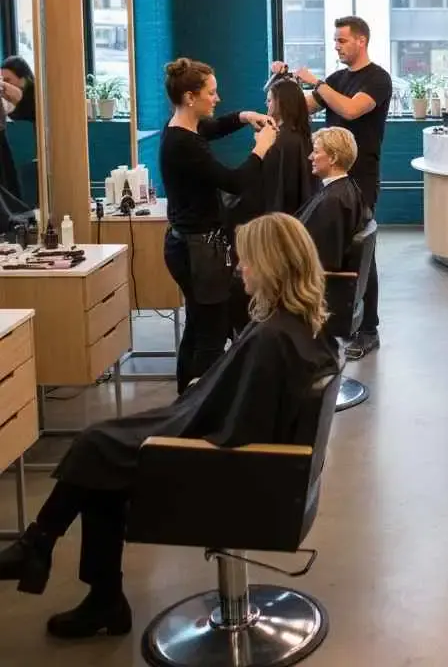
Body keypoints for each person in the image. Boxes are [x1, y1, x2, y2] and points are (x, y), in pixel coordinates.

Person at [0, 212, 338, 640]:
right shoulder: (296, 325)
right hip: (267, 470)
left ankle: (46, 553)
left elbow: (237, 431)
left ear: (272, 264)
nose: (239, 267)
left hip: (242, 476)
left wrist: (195, 407)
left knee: (97, 451)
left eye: (247, 259)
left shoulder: (273, 339)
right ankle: (79, 581)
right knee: (100, 450)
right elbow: (243, 404)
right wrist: (209, 388)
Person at [271, 15, 392, 360]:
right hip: (332, 178)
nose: (337, 46)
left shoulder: (378, 79)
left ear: (361, 41)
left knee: (360, 252)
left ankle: (368, 328)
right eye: (336, 41)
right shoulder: (338, 78)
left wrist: (318, 83)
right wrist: (285, 79)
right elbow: (300, 108)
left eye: (342, 41)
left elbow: (351, 110)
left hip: (361, 178)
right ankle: (333, 320)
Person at [159, 57, 278, 394]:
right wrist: (261, 149)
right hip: (198, 251)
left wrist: (244, 117)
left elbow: (214, 126)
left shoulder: (184, 129)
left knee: (198, 327)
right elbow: (235, 182)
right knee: (211, 334)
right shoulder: (185, 145)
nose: (217, 98)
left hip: (191, 245)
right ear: (190, 98)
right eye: (211, 92)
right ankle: (201, 410)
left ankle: (186, 399)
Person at [227, 77, 315, 226]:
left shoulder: (277, 141)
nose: (265, 104)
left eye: (269, 100)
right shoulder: (301, 137)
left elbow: (266, 187)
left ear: (281, 103)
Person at [298, 126, 369, 271]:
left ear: (333, 158)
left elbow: (326, 260)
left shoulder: (332, 201)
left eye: (316, 152)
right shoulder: (349, 188)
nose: (310, 157)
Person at [1, 56, 36, 122]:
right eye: (2, 80)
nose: (4, 85)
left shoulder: (37, 100)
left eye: (7, 80)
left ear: (23, 81)